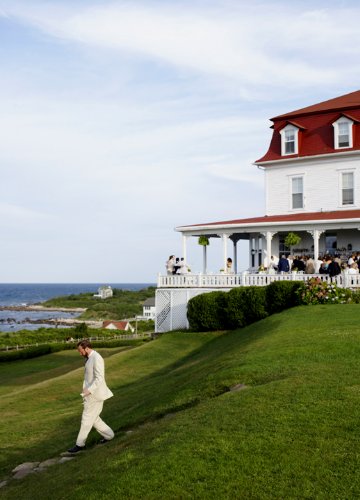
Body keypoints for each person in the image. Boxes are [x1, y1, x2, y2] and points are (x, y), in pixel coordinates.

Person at [68, 340, 114, 453]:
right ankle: (109, 435)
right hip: (90, 395)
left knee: (86, 419)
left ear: (86, 348)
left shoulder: (96, 358)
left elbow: (99, 378)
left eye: (80, 351)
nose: (80, 353)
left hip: (95, 395)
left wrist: (89, 390)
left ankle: (80, 444)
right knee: (94, 419)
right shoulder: (89, 358)